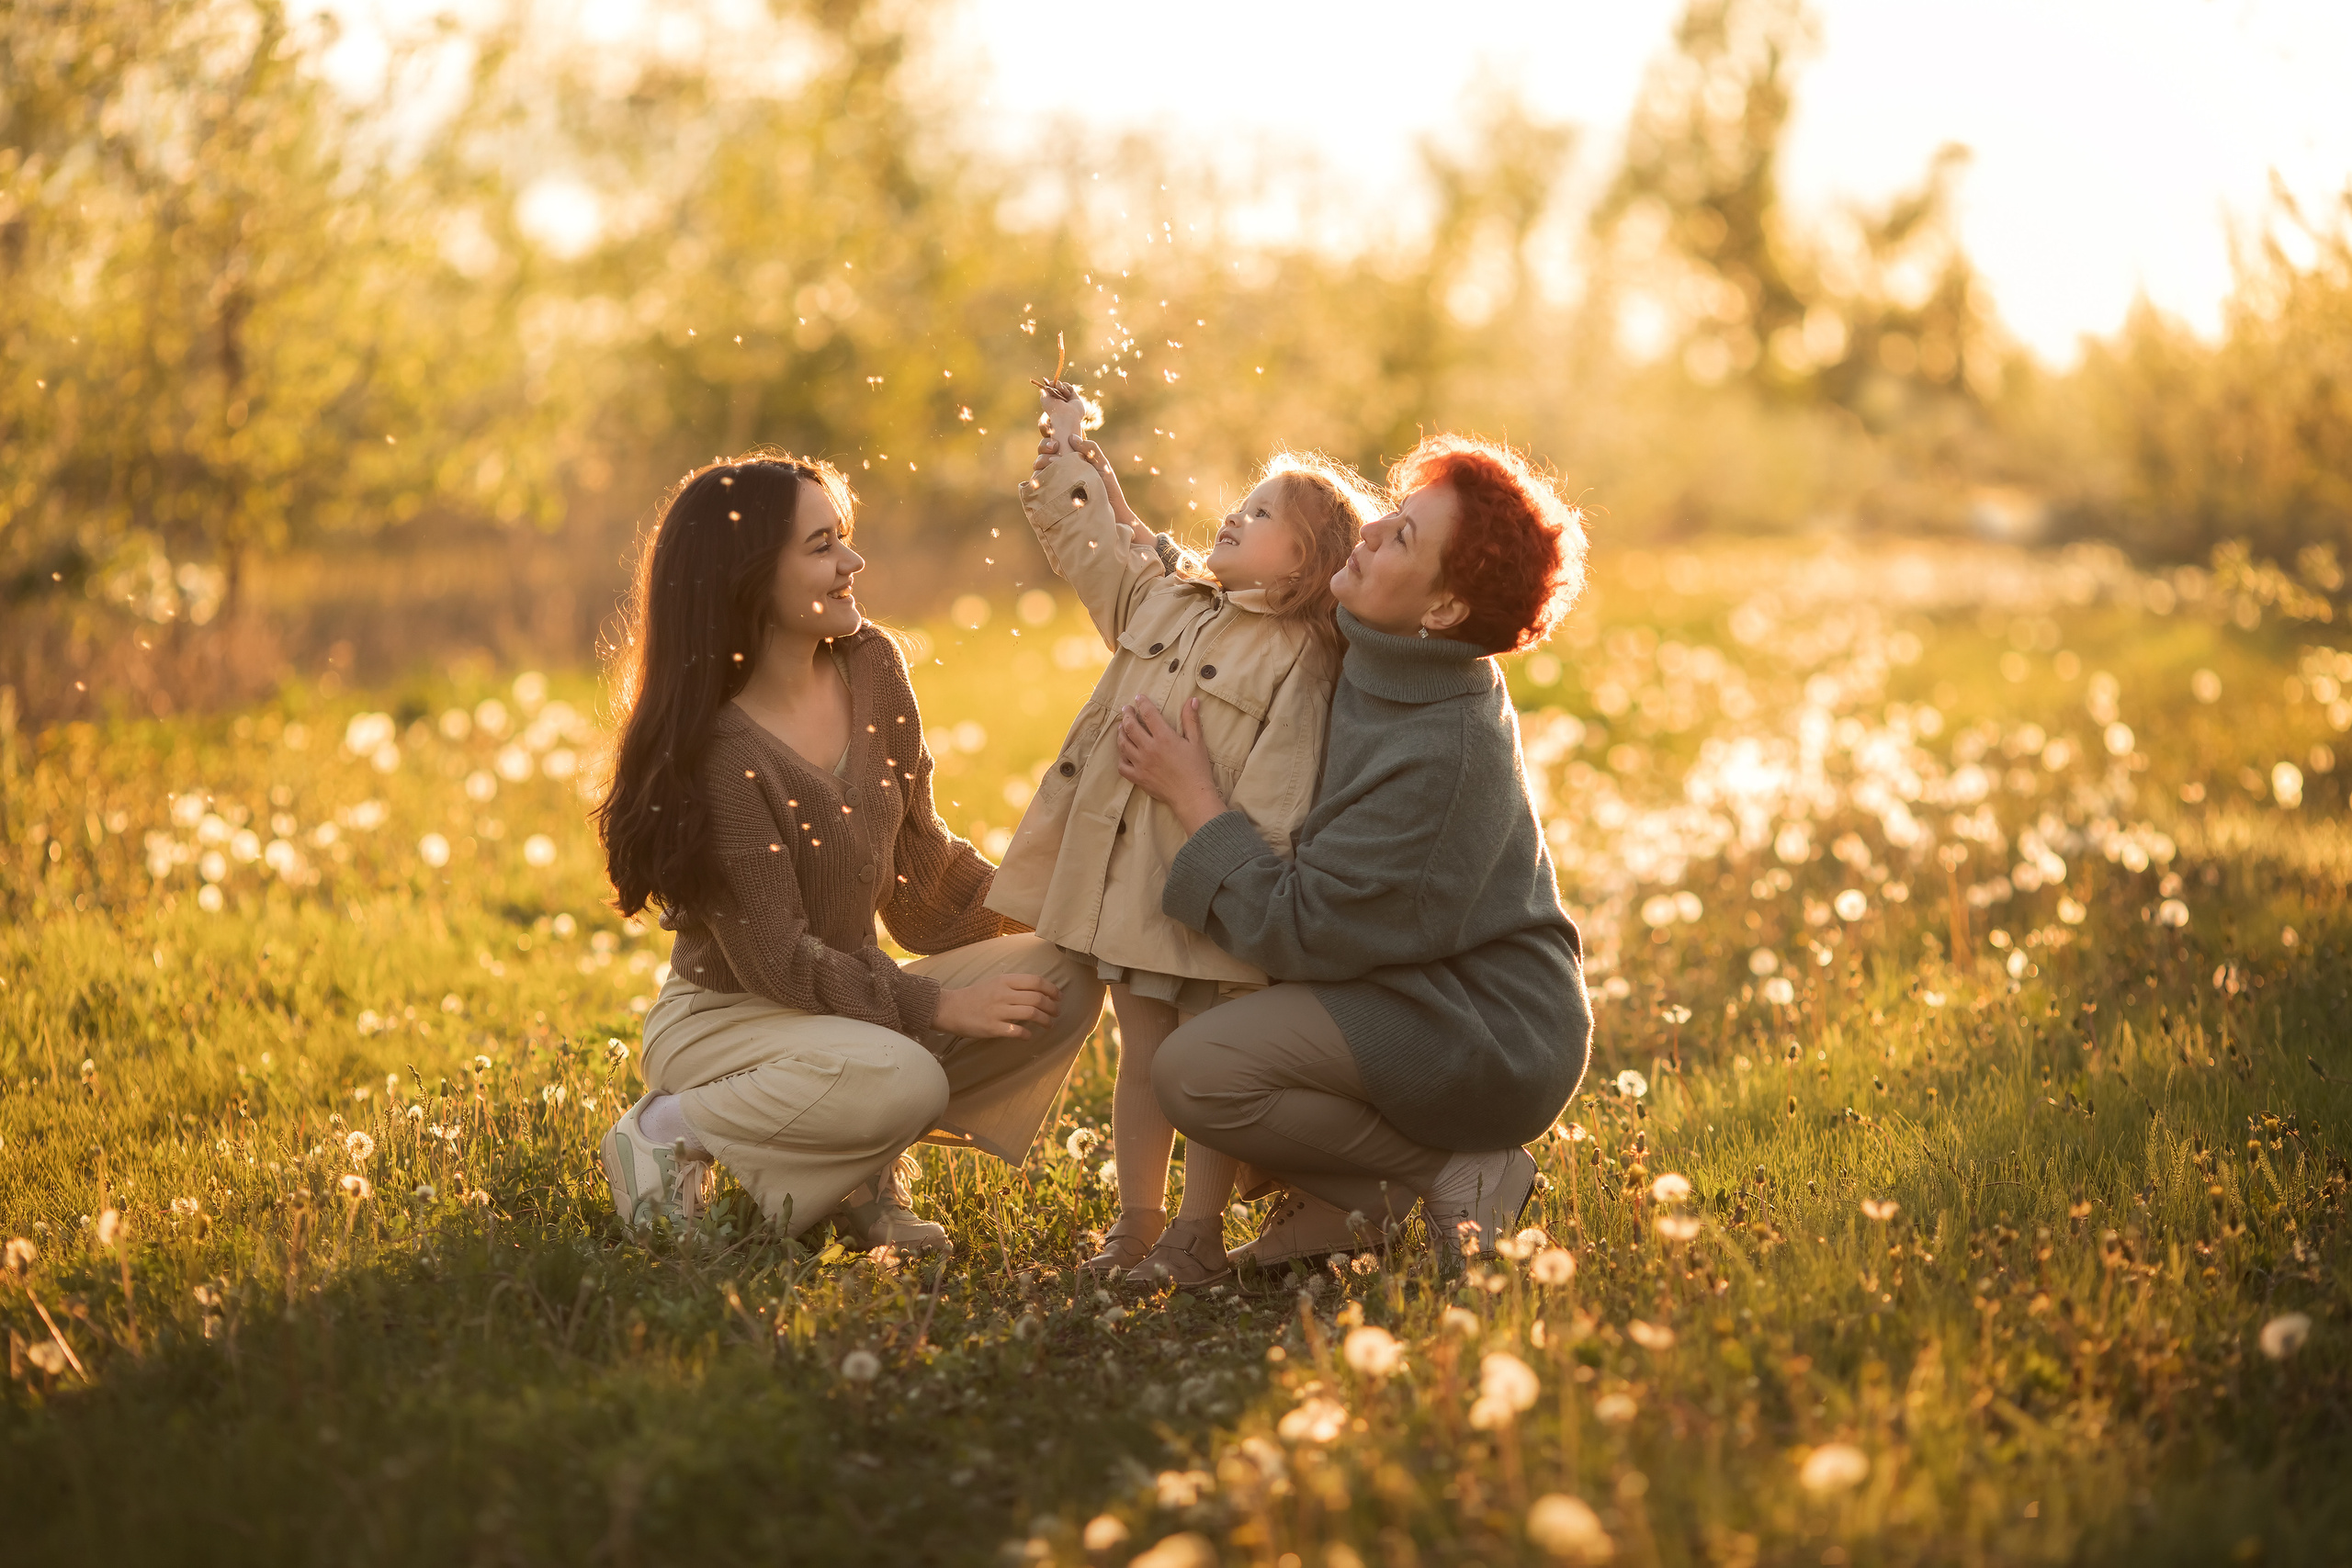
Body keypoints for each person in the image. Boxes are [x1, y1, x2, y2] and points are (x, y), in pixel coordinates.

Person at [592, 451, 1104, 1250]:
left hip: (846, 1004)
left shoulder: (873, 669)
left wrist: (1071, 902)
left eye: (846, 538)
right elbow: (778, 963)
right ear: (749, 576)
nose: (852, 563)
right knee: (903, 1074)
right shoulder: (719, 753)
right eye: (823, 545)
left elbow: (921, 874)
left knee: (1063, 973)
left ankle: (851, 1177)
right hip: (732, 1014)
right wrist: (936, 1006)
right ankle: (665, 1127)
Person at [1114, 434, 1593, 1285]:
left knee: (1200, 1071)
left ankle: (1455, 1173)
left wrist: (1195, 799)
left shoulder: (1444, 749)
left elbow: (1303, 929)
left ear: (1443, 609)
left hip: (1480, 1025)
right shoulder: (1383, 646)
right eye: (1391, 515)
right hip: (1400, 979)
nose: (1369, 532)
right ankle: (1345, 1203)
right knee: (1232, 1035)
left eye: (1402, 537)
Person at [991, 380, 1376, 1277]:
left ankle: (1195, 1233)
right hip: (1126, 883)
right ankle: (1136, 1221)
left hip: (1205, 892)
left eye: (1261, 512)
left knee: (1195, 1067)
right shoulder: (1163, 600)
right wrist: (1067, 452)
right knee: (1141, 1057)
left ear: (1305, 562)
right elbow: (1096, 544)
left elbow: (1284, 794)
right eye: (1240, 504)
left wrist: (1253, 900)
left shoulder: (1303, 658)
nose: (1233, 517)